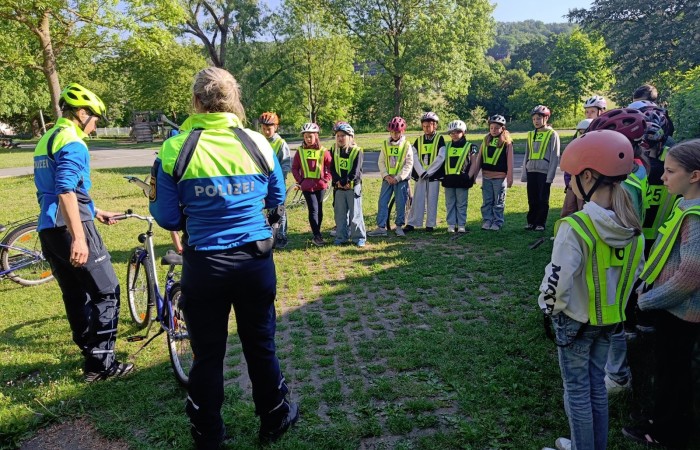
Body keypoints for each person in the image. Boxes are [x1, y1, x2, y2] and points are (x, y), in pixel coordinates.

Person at [148, 67, 297, 449]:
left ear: (196, 101)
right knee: (260, 344)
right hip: (254, 262)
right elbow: (276, 198)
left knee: (208, 355)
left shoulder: (175, 148)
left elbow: (166, 217)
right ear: (235, 101)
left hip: (205, 265)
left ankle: (208, 433)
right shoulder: (259, 143)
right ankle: (275, 416)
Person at [539, 130, 645, 450]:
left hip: (574, 321)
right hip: (610, 321)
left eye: (571, 177)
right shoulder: (634, 230)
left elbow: (557, 281)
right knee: (596, 386)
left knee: (576, 391)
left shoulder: (575, 228)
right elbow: (636, 275)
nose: (569, 184)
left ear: (588, 176)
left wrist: (548, 309)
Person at [33, 83, 133, 382]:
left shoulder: (47, 138)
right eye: (95, 118)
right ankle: (101, 366)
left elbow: (55, 188)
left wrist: (95, 210)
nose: (96, 125)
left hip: (49, 229)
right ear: (81, 113)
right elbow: (65, 190)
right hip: (71, 228)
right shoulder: (73, 142)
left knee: (75, 293)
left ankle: (89, 352)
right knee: (107, 292)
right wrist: (79, 237)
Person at [622, 140, 700, 449]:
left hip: (682, 312)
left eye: (670, 171)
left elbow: (690, 276)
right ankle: (660, 419)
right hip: (672, 307)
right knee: (667, 368)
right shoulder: (684, 206)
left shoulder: (695, 217)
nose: (663, 177)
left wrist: (648, 301)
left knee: (674, 373)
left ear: (694, 175)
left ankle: (668, 432)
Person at [367, 117, 414, 237]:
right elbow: (381, 161)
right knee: (382, 202)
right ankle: (381, 227)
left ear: (402, 132)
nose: (394, 134)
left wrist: (398, 178)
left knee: (400, 203)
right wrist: (386, 176)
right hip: (387, 179)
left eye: (397, 132)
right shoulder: (385, 144)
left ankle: (399, 226)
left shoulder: (407, 145)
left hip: (400, 180)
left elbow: (409, 164)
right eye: (392, 132)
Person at [292, 122, 332, 247]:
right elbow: (294, 168)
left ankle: (317, 232)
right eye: (306, 137)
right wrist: (300, 181)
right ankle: (317, 236)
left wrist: (326, 179)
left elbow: (330, 166)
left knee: (319, 209)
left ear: (316, 136)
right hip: (307, 186)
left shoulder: (323, 151)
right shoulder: (300, 151)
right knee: (313, 209)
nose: (308, 139)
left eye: (310, 136)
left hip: (320, 185)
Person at [404, 112, 445, 232]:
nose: (426, 128)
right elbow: (414, 156)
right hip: (421, 175)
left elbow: (441, 157)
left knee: (432, 199)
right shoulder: (419, 140)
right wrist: (421, 172)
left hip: (433, 175)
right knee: (417, 198)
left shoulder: (439, 139)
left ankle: (430, 224)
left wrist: (430, 172)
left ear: (435, 126)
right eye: (424, 126)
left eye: (429, 126)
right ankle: (412, 222)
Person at [471, 114, 513, 231]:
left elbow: (510, 161)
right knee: (487, 201)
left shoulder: (507, 143)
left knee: (498, 201)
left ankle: (497, 221)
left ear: (502, 129)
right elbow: (479, 159)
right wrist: (474, 176)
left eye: (496, 128)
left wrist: (510, 178)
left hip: (499, 177)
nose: (493, 130)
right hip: (486, 177)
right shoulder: (486, 140)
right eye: (491, 128)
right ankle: (487, 220)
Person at [522, 105, 560, 232]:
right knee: (532, 199)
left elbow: (555, 156)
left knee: (542, 199)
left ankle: (540, 223)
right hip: (531, 171)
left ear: (546, 118)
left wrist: (550, 176)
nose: (536, 121)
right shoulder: (530, 134)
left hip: (544, 172)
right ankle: (531, 222)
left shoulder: (552, 134)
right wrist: (524, 173)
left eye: (538, 118)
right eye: (534, 119)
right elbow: (526, 155)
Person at [329, 122, 366, 247]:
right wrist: (337, 181)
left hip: (352, 187)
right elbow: (332, 167)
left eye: (343, 136)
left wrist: (345, 182)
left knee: (355, 214)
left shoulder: (357, 151)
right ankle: (341, 237)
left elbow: (355, 171)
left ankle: (359, 237)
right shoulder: (334, 149)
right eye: (338, 136)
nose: (340, 138)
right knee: (340, 214)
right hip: (339, 187)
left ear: (350, 137)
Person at [259, 112, 291, 249]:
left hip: (276, 183)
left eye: (269, 128)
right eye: (264, 128)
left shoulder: (280, 143)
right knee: (265, 209)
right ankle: (269, 233)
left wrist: (278, 180)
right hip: (262, 182)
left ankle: (281, 235)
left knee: (279, 209)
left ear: (276, 127)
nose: (266, 131)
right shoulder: (259, 142)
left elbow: (285, 164)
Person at [442, 120, 477, 233]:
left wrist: (469, 176)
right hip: (449, 180)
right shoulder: (446, 146)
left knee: (461, 203)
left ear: (464, 132)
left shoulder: (471, 146)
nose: (454, 134)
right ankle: (451, 224)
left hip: (462, 180)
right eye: (451, 132)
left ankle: (461, 224)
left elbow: (474, 163)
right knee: (450, 203)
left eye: (457, 132)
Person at [561, 119, 593, 218]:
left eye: (584, 132)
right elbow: (568, 169)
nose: (582, 135)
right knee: (568, 211)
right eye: (580, 132)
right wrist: (568, 183)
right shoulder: (573, 148)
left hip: (585, 189)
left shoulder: (594, 151)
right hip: (572, 187)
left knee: (583, 211)